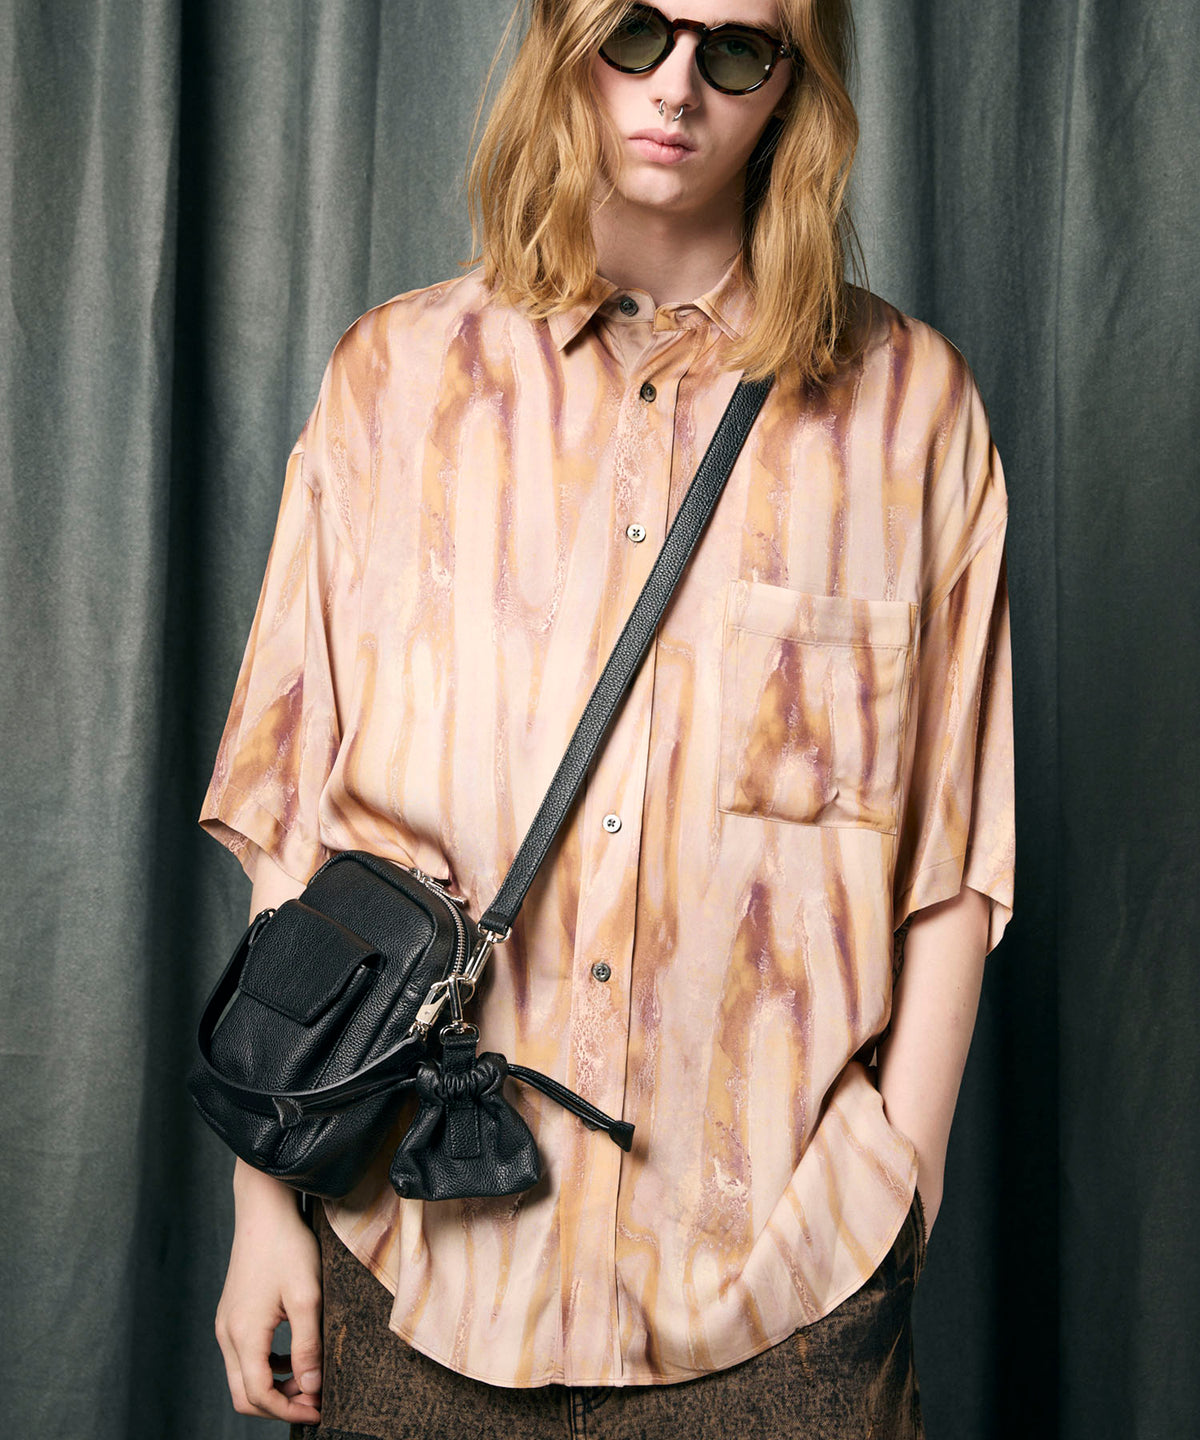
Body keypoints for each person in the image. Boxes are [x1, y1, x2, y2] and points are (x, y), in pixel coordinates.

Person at [200, 2, 1014, 1436]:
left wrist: (904, 1191)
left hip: (783, 1300)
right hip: (413, 1273)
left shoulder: (912, 416)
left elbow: (953, 860)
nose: (678, 87)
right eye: (637, 31)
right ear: (565, 35)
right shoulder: (392, 385)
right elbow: (294, 826)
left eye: (735, 50)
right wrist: (265, 1202)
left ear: (794, 88)